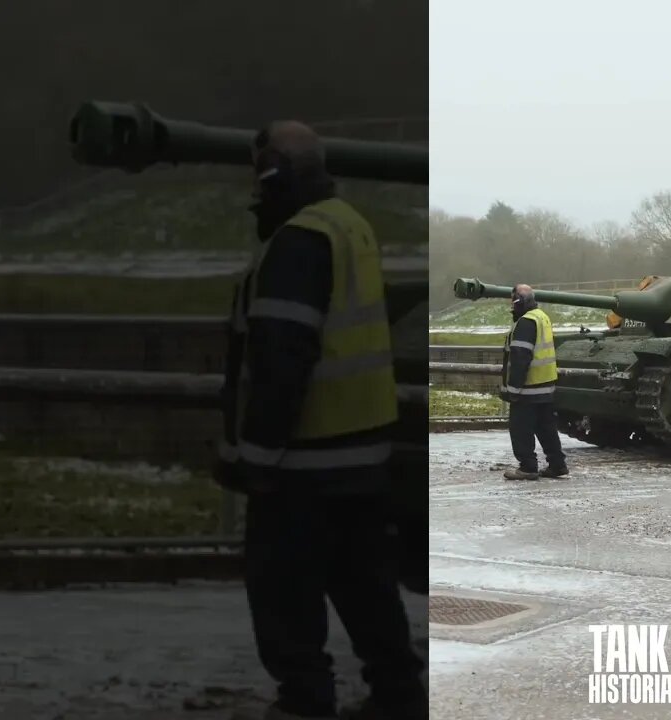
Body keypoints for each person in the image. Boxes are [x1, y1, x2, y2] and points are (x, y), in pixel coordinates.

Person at [213, 120, 425, 720]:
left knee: (284, 597)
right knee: (367, 590)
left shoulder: (297, 241)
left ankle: (304, 703)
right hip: (360, 460)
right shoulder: (348, 224)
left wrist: (254, 457)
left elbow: (283, 357)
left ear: (272, 174)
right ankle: (399, 696)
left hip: (301, 464)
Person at [501, 284, 569, 480]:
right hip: (545, 386)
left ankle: (528, 467)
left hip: (527, 389)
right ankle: (557, 464)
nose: (511, 307)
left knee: (520, 428)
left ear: (519, 302)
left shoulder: (526, 322)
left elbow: (520, 357)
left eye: (513, 303)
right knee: (546, 428)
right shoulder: (542, 317)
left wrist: (513, 389)